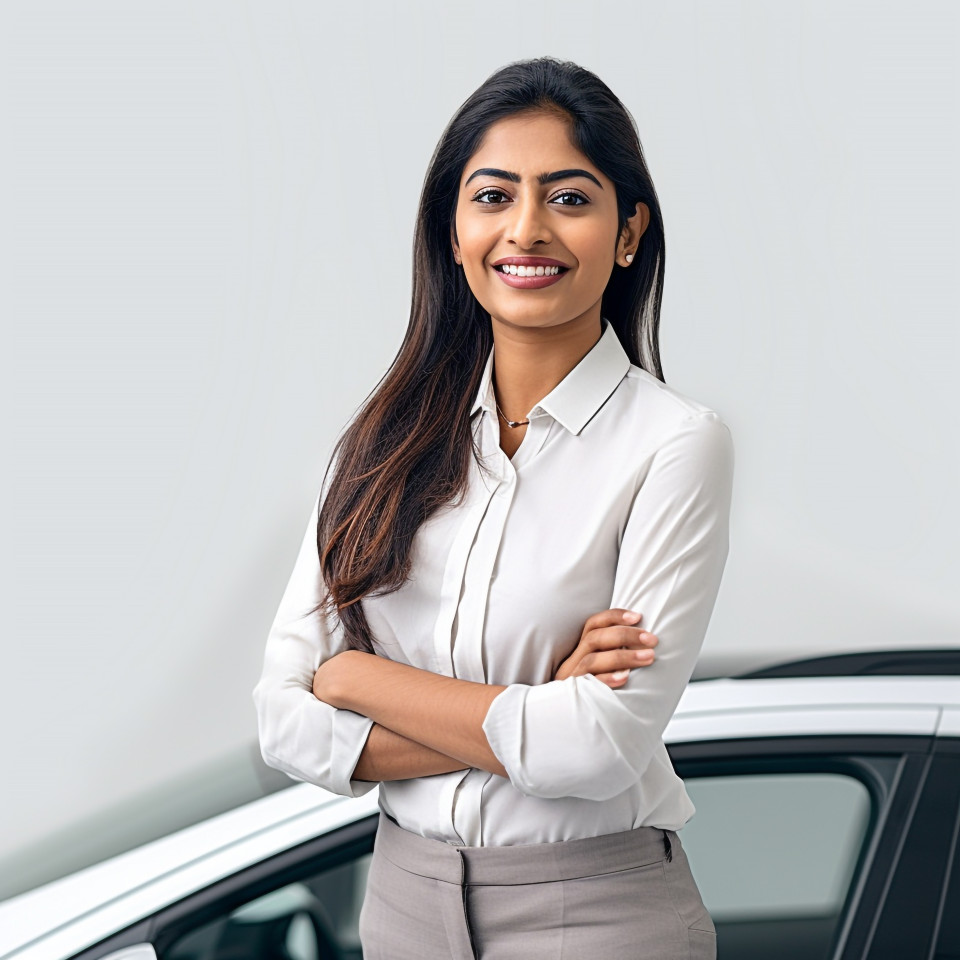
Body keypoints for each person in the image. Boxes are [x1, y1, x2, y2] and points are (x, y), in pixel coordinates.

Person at [253, 56, 733, 960]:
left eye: (569, 198)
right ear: (452, 228)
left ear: (629, 232)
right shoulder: (380, 443)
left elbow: (596, 749)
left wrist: (360, 683)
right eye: (493, 196)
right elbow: (284, 720)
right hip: (401, 899)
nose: (526, 230)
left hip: (595, 913)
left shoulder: (675, 445)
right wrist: (534, 706)